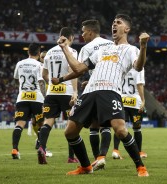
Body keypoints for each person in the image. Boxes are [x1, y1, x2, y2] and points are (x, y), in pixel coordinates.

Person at [56, 14, 150, 176]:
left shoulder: (131, 49)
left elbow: (139, 67)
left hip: (110, 91)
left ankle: (140, 167)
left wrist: (143, 46)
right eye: (113, 22)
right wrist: (65, 50)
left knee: (120, 130)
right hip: (90, 92)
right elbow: (79, 68)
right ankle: (86, 166)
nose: (114, 24)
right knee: (70, 132)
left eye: (118, 23)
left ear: (126, 29)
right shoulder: (102, 50)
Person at [52, 19, 114, 162]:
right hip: (112, 87)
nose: (82, 35)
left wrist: (61, 79)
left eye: (83, 32)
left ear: (90, 32)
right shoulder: (112, 44)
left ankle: (96, 158)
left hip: (95, 90)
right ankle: (102, 156)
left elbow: (78, 69)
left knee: (91, 125)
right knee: (108, 125)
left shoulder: (87, 48)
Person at [37, 27, 79, 164]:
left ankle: (42, 148)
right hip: (66, 92)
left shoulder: (49, 52)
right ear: (71, 38)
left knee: (48, 121)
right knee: (72, 124)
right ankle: (71, 157)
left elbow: (44, 74)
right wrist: (75, 91)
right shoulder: (72, 51)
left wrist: (51, 81)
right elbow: (74, 71)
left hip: (52, 93)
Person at [11, 43, 46, 159]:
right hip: (36, 98)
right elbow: (41, 82)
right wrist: (45, 96)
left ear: (28, 52)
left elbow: (16, 78)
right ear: (39, 53)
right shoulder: (39, 65)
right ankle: (42, 149)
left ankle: (15, 149)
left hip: (22, 97)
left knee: (19, 124)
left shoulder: (19, 64)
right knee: (41, 124)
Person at [112, 68, 147, 159]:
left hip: (121, 100)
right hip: (134, 102)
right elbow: (139, 84)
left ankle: (116, 150)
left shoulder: (122, 65)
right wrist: (143, 100)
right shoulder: (139, 68)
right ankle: (139, 152)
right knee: (137, 127)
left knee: (119, 126)